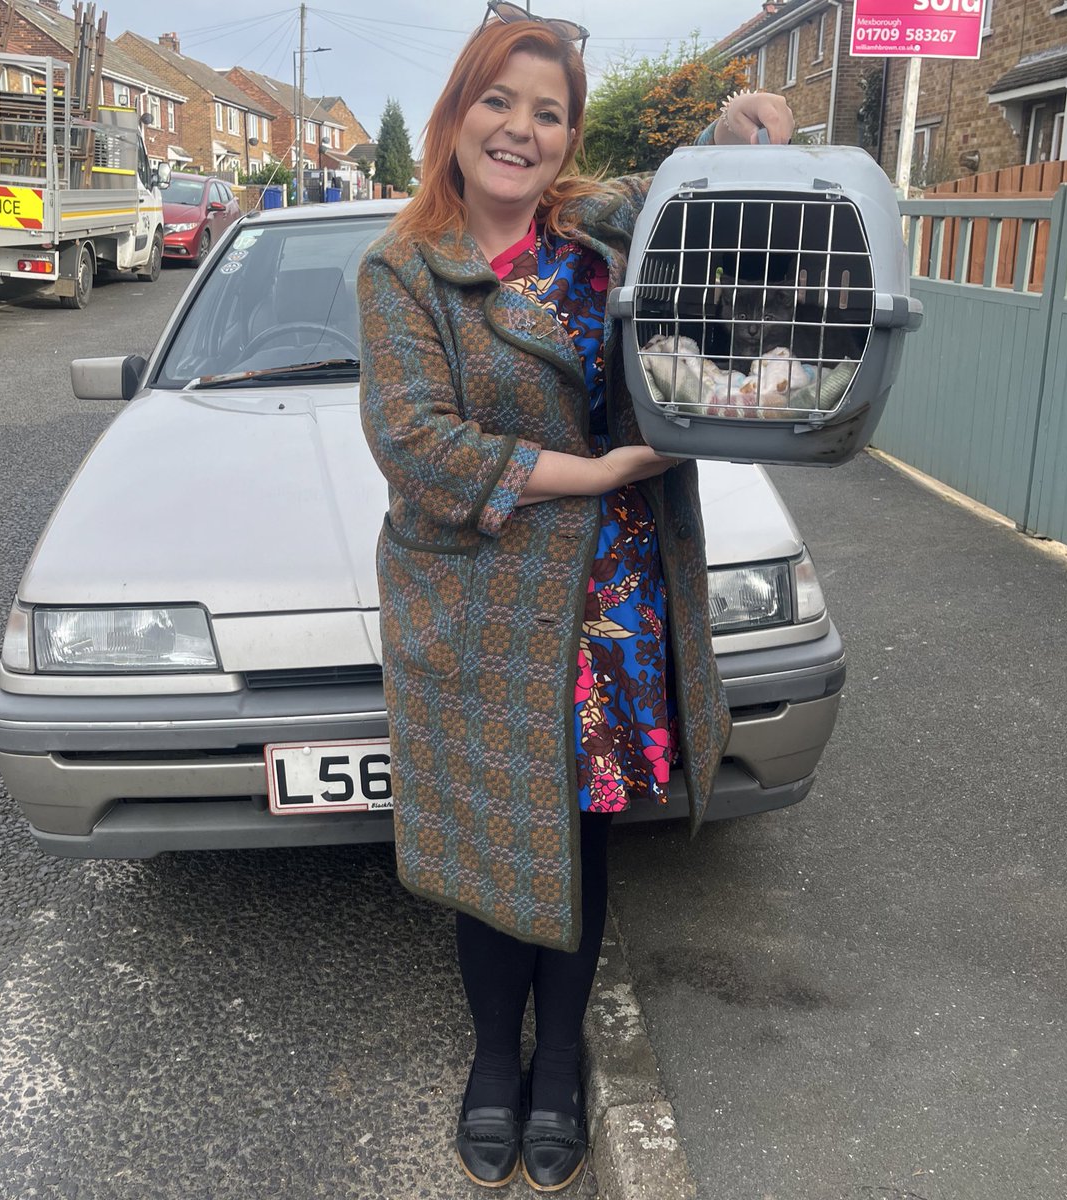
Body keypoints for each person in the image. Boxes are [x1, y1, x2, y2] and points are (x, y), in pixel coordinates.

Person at [358, 4, 794, 1190]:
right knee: (494, 837)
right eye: (499, 101)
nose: (521, 129)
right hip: (478, 608)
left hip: (612, 605)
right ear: (456, 114)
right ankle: (496, 1062)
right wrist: (594, 474)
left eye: (547, 112)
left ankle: (561, 1074)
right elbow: (416, 443)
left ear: (566, 137)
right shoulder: (405, 267)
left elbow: (685, 197)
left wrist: (732, 125)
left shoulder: (598, 236)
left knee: (581, 836)